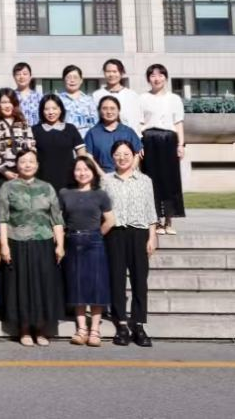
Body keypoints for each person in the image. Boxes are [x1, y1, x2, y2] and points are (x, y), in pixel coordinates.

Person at [0, 148, 65, 346]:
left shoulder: (47, 187)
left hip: (44, 242)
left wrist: (60, 245)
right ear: (17, 165)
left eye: (31, 161)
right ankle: (25, 329)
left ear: (37, 165)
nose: (27, 164)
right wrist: (4, 245)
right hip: (17, 242)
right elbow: (2, 219)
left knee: (43, 286)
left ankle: (41, 329)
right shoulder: (7, 187)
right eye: (23, 161)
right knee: (21, 286)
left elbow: (57, 219)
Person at [103, 140, 158, 347]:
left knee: (139, 281)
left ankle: (139, 324)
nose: (122, 158)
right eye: (118, 154)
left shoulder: (144, 180)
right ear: (112, 157)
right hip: (115, 234)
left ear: (134, 155)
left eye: (126, 154)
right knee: (116, 280)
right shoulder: (106, 181)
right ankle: (121, 325)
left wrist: (152, 236)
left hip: (139, 233)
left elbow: (150, 210)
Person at [59, 156, 115, 347]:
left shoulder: (100, 194)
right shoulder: (65, 193)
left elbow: (110, 220)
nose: (82, 173)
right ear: (73, 172)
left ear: (93, 172)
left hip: (94, 242)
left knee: (97, 286)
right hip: (72, 241)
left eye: (86, 169)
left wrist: (96, 235)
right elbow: (59, 220)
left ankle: (95, 329)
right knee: (77, 285)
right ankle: (81, 329)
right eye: (78, 169)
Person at [139, 64, 186, 234]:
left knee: (170, 180)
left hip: (169, 140)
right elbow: (140, 123)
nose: (156, 78)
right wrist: (139, 144)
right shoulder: (143, 98)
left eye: (160, 75)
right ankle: (156, 221)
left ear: (165, 78)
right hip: (149, 140)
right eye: (152, 75)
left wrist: (181, 144)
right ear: (148, 79)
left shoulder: (174, 99)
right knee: (152, 180)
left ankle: (169, 221)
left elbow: (178, 123)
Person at [32, 94, 86, 193]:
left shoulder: (70, 129)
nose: (51, 112)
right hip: (42, 183)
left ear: (61, 110)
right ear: (42, 111)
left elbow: (82, 155)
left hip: (68, 182)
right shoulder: (35, 130)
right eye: (46, 109)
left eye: (54, 108)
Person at [0, 89, 36, 188]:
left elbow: (31, 147)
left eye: (10, 102)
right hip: (1, 173)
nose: (7, 106)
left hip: (23, 171)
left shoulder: (23, 123)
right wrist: (4, 171)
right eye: (4, 102)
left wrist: (25, 168)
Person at [85, 97, 142, 174]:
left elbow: (137, 154)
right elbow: (89, 156)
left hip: (126, 175)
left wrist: (129, 173)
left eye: (112, 108)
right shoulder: (92, 133)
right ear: (99, 111)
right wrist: (103, 176)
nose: (109, 112)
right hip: (102, 175)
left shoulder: (128, 132)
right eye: (105, 108)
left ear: (118, 110)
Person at [93, 59, 142, 136]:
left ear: (121, 73)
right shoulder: (96, 95)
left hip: (127, 137)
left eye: (115, 71)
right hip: (104, 136)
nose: (111, 75)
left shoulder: (132, 95)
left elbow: (136, 121)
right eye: (108, 71)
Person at [59, 65, 98, 137]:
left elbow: (95, 122)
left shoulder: (89, 100)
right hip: (63, 138)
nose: (72, 80)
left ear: (81, 80)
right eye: (69, 77)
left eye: (75, 77)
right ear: (63, 80)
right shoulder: (57, 100)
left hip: (85, 139)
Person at [12, 62, 43, 128]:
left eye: (25, 74)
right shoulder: (10, 96)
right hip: (16, 132)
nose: (21, 77)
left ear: (30, 76)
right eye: (18, 74)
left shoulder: (39, 97)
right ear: (14, 77)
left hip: (35, 132)